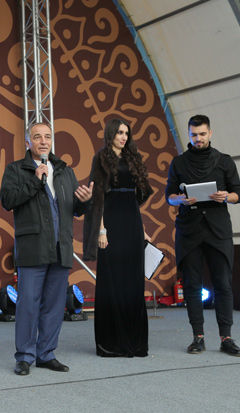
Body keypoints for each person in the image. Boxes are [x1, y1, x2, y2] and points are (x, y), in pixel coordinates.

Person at [0, 122, 93, 376]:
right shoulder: (16, 169)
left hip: (61, 246)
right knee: (28, 305)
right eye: (37, 137)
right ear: (27, 142)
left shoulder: (64, 171)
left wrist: (85, 202)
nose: (43, 141)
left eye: (48, 137)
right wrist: (34, 180)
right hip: (33, 246)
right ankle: (24, 356)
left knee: (54, 304)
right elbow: (7, 200)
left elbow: (75, 208)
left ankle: (46, 354)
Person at [165, 114, 240, 356]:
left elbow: (239, 194)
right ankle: (197, 337)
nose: (197, 138)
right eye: (193, 135)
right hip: (189, 231)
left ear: (210, 133)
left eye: (201, 134)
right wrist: (181, 199)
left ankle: (226, 338)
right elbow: (169, 196)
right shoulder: (179, 163)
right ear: (189, 135)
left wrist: (225, 196)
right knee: (192, 285)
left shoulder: (224, 161)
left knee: (223, 284)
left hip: (218, 230)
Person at [83, 119, 154, 358]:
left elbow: (136, 198)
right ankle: (110, 344)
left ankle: (135, 343)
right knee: (112, 282)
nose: (124, 136)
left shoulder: (132, 158)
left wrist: (141, 228)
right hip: (111, 224)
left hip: (132, 224)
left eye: (126, 133)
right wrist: (101, 230)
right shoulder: (101, 158)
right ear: (111, 134)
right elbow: (97, 197)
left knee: (133, 283)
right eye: (120, 132)